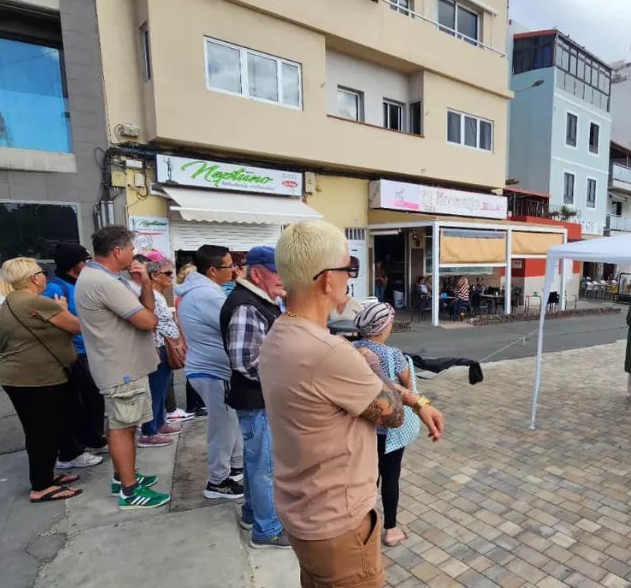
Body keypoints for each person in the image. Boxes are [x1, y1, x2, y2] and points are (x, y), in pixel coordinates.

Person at [259, 220, 444, 588]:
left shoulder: (280, 333)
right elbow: (389, 414)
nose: (350, 280)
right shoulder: (328, 352)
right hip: (338, 524)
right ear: (328, 279)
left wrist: (415, 399)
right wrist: (372, 362)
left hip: (303, 513)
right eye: (349, 270)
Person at [75, 225, 169, 509]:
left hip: (122, 364)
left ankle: (124, 476)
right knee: (123, 426)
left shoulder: (103, 278)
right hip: (121, 367)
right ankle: (129, 491)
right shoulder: (104, 283)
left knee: (125, 424)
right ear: (117, 251)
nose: (133, 255)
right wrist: (146, 294)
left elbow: (145, 311)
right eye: (130, 249)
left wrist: (146, 285)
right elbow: (149, 321)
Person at [0, 257, 84, 503]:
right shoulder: (37, 302)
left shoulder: (11, 300)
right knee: (44, 431)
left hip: (21, 377)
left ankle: (45, 476)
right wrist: (64, 310)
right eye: (43, 272)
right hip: (36, 379)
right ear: (34, 277)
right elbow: (77, 327)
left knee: (42, 430)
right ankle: (41, 486)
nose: (46, 276)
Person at [222, 246, 289, 549]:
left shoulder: (260, 300)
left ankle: (252, 514)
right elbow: (246, 361)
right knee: (265, 468)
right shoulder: (247, 305)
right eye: (278, 271)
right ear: (257, 272)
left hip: (258, 399)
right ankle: (267, 529)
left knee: (255, 463)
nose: (283, 278)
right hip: (257, 399)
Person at [174, 245, 244, 499]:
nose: (234, 270)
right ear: (213, 270)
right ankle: (218, 481)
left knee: (231, 421)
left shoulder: (201, 290)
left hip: (210, 369)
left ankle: (236, 466)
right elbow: (236, 325)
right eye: (229, 266)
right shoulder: (206, 295)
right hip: (213, 371)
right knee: (222, 427)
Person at [352, 301, 419, 547]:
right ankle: (390, 529)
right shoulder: (393, 355)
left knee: (366, 479)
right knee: (390, 477)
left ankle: (362, 527)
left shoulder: (350, 348)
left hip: (360, 426)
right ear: (383, 327)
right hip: (387, 431)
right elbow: (408, 388)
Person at [41, 243, 108, 463]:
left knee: (94, 400)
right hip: (73, 354)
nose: (89, 264)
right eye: (85, 260)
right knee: (80, 402)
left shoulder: (80, 284)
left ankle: (94, 440)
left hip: (89, 350)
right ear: (74, 264)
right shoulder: (55, 289)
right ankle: (74, 450)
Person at [135, 254, 183, 448]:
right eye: (168, 273)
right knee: (155, 390)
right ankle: (149, 432)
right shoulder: (150, 296)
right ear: (154, 275)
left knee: (162, 388)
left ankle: (159, 422)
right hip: (156, 348)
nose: (172, 277)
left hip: (164, 346)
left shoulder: (159, 295)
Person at [173, 263, 205, 419]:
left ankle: (197, 404)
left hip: (190, 338)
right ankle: (193, 405)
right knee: (194, 373)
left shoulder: (184, 295)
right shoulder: (185, 297)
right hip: (190, 339)